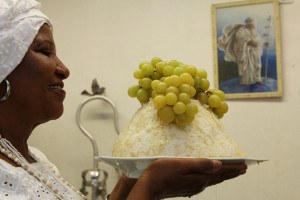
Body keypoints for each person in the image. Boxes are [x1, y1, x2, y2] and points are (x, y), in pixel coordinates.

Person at [0, 0, 247, 199]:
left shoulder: (35, 159)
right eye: (45, 51)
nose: (64, 69)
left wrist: (131, 181)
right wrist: (150, 187)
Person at [218, 17, 264, 85]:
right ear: (248, 23)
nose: (254, 25)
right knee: (247, 66)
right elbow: (240, 37)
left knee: (257, 65)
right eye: (252, 23)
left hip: (254, 51)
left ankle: (257, 79)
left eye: (254, 23)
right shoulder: (241, 30)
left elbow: (258, 39)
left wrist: (263, 42)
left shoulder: (254, 30)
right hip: (246, 52)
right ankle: (247, 81)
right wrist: (249, 41)